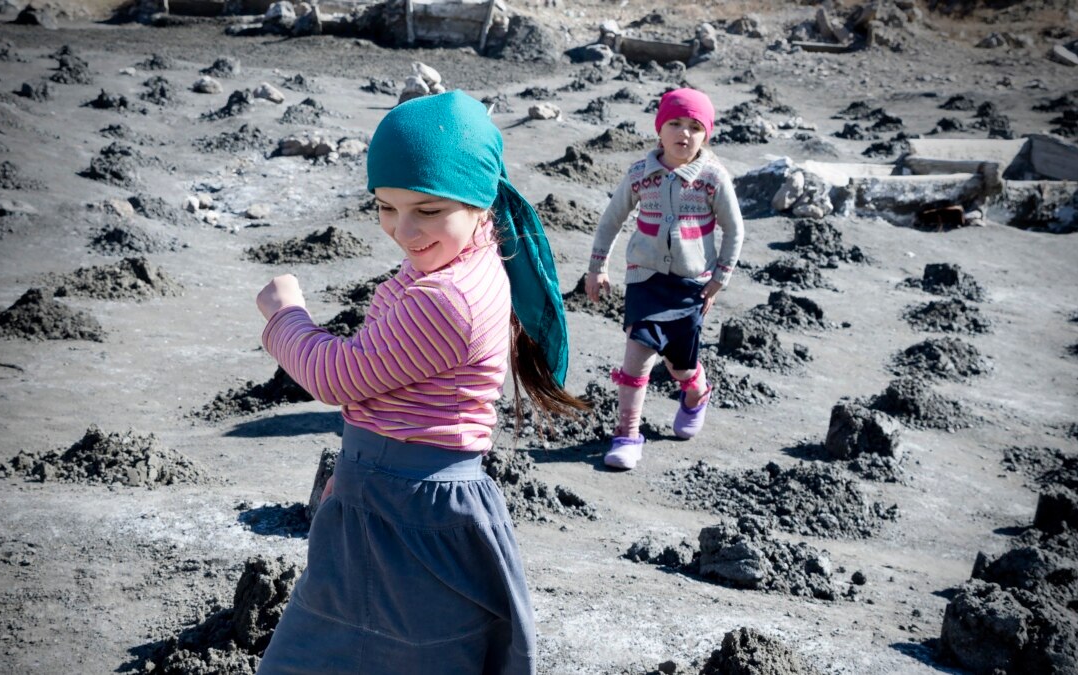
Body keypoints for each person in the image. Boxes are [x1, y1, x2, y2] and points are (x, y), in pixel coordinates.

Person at [254, 90, 585, 674]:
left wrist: (286, 317)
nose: (404, 231)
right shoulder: (466, 258)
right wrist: (355, 476)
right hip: (395, 500)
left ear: (480, 201)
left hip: (407, 517)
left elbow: (338, 376)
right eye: (385, 207)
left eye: (427, 210)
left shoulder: (449, 298)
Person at [584, 87, 744, 471]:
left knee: (679, 365)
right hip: (644, 280)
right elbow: (611, 220)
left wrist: (719, 280)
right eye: (675, 123)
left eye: (694, 127)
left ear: (706, 135)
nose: (683, 133)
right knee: (637, 355)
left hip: (692, 285)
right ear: (660, 129)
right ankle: (626, 434)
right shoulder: (640, 174)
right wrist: (597, 267)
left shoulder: (712, 178)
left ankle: (696, 391)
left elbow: (734, 230)